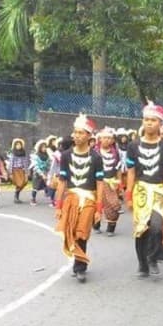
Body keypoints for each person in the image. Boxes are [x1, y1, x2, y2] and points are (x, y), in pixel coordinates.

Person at [125, 101, 163, 278]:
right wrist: (129, 195)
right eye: (146, 120)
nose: (149, 123)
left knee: (156, 226)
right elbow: (130, 173)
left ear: (160, 123)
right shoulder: (133, 146)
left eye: (153, 120)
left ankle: (153, 257)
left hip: (159, 191)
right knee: (141, 229)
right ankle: (142, 263)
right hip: (140, 191)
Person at [54, 114, 104, 283]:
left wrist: (99, 208)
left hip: (89, 199)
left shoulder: (96, 158)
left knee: (82, 232)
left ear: (89, 135)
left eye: (81, 133)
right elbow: (62, 181)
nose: (76, 136)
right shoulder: (66, 156)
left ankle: (80, 267)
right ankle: (79, 261)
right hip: (71, 198)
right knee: (72, 231)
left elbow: (100, 184)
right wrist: (59, 205)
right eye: (75, 132)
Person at [94, 127, 122, 236]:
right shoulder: (94, 152)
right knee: (97, 204)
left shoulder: (115, 153)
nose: (107, 140)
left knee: (113, 204)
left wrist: (119, 182)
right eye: (104, 138)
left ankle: (111, 228)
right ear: (100, 139)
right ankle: (96, 224)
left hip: (111, 182)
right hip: (97, 182)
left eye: (109, 138)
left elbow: (118, 168)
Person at [8, 138, 31, 204]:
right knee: (19, 183)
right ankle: (16, 197)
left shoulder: (23, 153)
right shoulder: (13, 153)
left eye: (20, 145)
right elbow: (11, 163)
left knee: (25, 182)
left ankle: (16, 193)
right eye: (17, 145)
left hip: (22, 170)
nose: (18, 146)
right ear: (15, 145)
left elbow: (25, 163)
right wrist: (10, 172)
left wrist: (27, 172)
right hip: (15, 170)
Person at [30, 140, 51, 206]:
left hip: (45, 173)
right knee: (35, 187)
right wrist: (41, 174)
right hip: (37, 173)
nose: (44, 148)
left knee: (48, 185)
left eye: (45, 147)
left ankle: (51, 199)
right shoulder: (36, 156)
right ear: (39, 148)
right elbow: (36, 166)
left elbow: (48, 165)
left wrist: (49, 172)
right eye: (42, 147)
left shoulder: (47, 156)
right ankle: (33, 198)